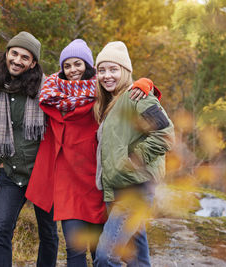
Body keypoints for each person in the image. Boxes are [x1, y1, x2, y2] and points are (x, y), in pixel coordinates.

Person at [25, 39, 155, 267]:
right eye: (67, 65)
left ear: (88, 66)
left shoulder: (101, 93)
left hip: (100, 184)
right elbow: (20, 86)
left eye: (78, 64)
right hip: (68, 183)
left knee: (103, 252)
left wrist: (145, 83)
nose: (73, 70)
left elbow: (133, 99)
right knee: (74, 249)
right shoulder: (51, 95)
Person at [0, 31, 58, 267]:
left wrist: (141, 85)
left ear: (33, 63)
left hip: (42, 174)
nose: (17, 60)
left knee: (49, 234)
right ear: (7, 53)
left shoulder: (47, 87)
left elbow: (83, 85)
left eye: (25, 57)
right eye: (14, 53)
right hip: (10, 174)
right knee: (1, 231)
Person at [93, 41, 175, 266]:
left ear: (125, 71)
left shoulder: (137, 96)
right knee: (137, 259)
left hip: (135, 190)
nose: (106, 75)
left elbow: (165, 134)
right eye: (101, 70)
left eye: (113, 69)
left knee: (105, 256)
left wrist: (134, 160)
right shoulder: (110, 103)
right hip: (117, 191)